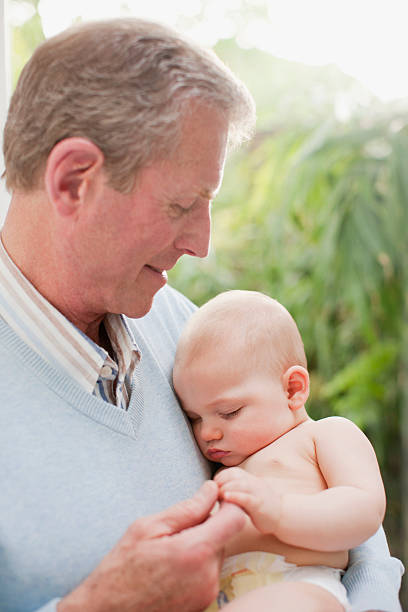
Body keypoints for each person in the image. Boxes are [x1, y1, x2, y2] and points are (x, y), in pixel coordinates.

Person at [0, 17, 403, 612]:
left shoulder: (192, 331)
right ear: (73, 180)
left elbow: (352, 521)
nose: (202, 242)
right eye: (182, 204)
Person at [173, 290, 403, 612]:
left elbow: (364, 509)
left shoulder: (323, 435)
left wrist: (279, 512)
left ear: (292, 389)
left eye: (229, 412)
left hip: (301, 585)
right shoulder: (225, 467)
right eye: (194, 418)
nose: (207, 433)